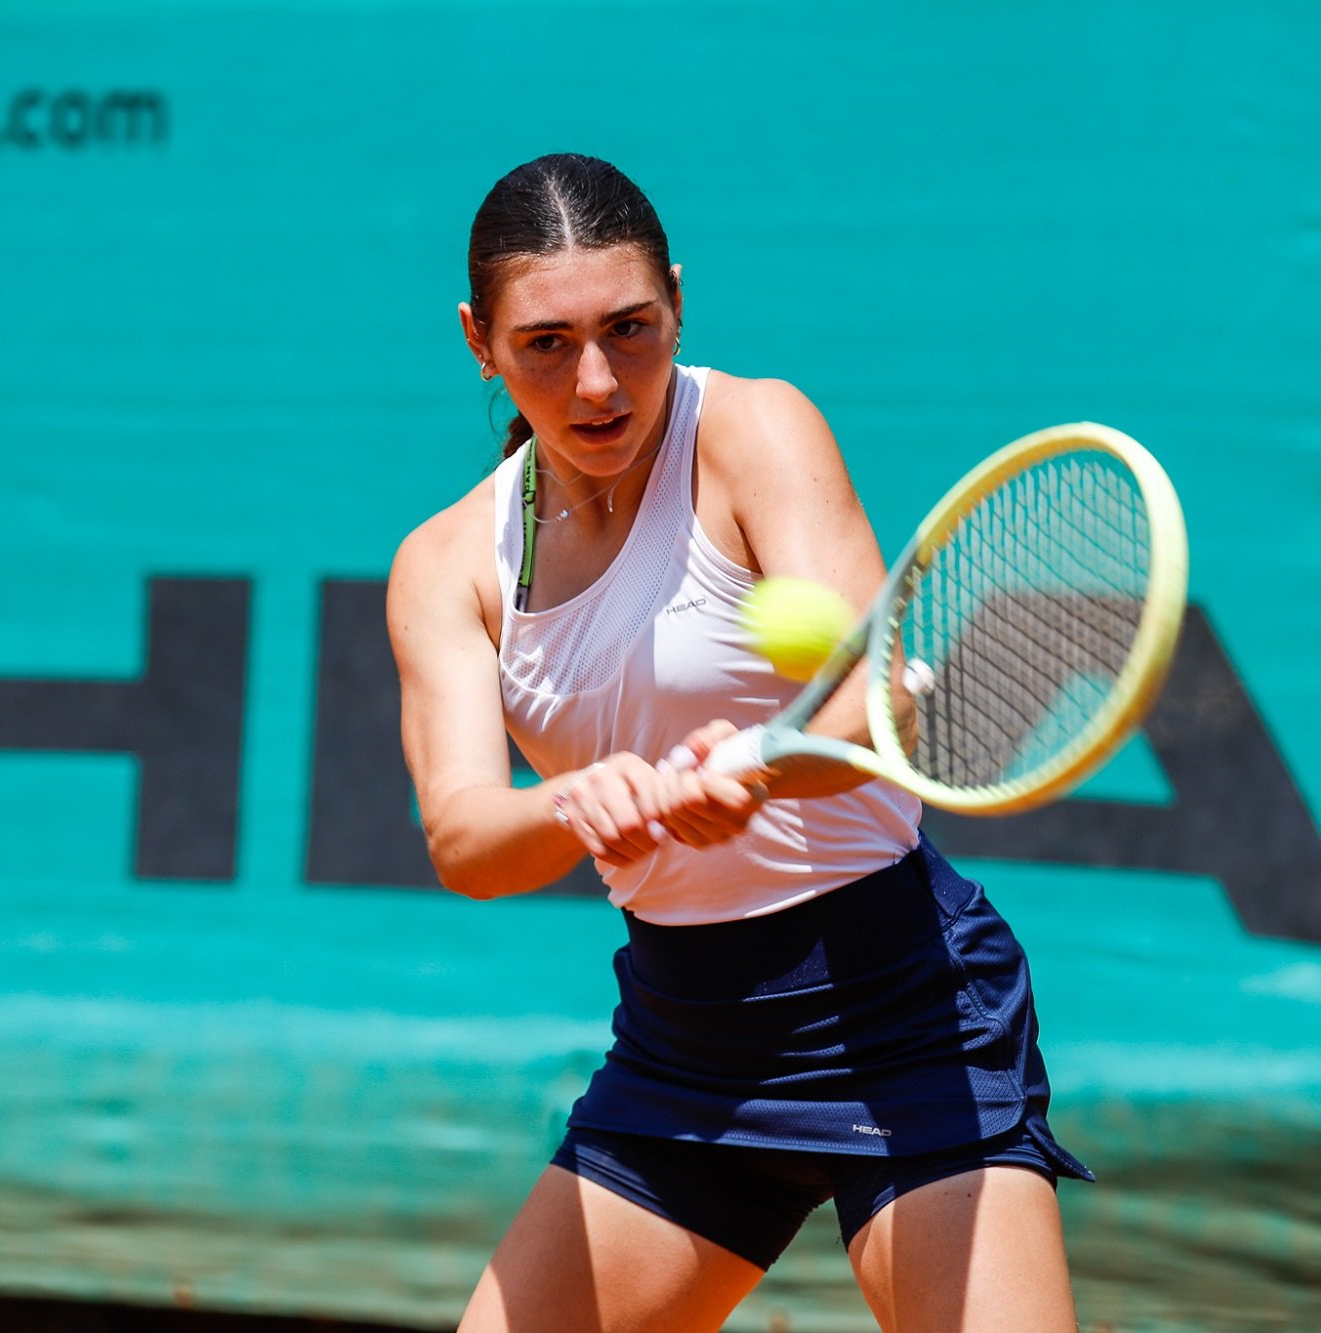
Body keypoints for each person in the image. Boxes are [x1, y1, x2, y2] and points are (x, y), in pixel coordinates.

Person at [387, 152, 1092, 1333]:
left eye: (629, 328)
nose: (597, 382)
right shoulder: (445, 564)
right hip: (685, 1049)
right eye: (545, 344)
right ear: (479, 343)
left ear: (676, 300)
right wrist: (574, 803)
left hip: (903, 1011)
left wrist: (758, 768)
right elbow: (463, 841)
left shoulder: (756, 428)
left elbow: (871, 697)